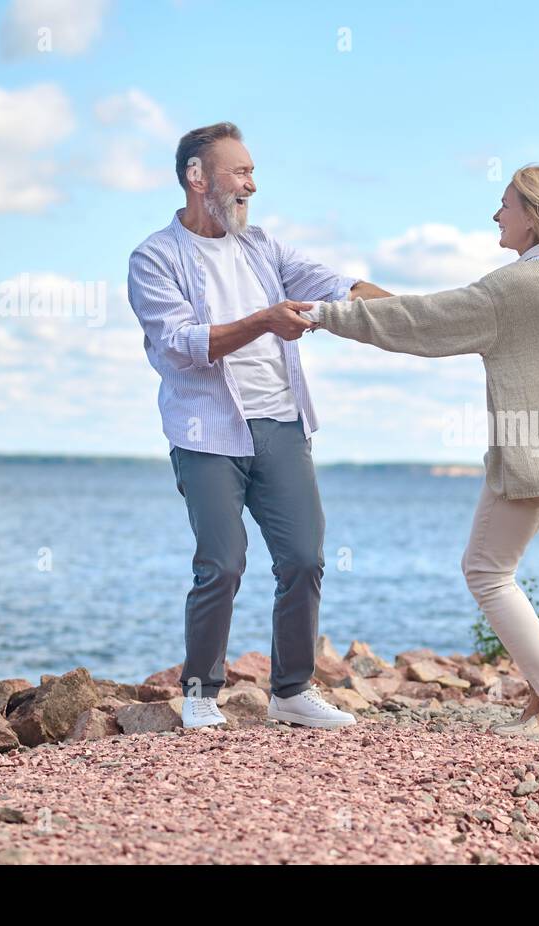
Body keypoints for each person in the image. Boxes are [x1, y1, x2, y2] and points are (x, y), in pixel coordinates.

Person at [302, 164, 539, 740]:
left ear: (533, 215)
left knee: (487, 573)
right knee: (492, 569)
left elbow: (425, 325)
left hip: (529, 462)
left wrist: (323, 315)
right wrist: (369, 300)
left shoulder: (519, 287)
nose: (496, 215)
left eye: (505, 204)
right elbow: (436, 315)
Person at [126, 122, 390, 730]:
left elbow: (335, 284)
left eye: (252, 174)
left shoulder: (262, 247)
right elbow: (182, 344)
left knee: (303, 557)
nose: (251, 184)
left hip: (281, 425)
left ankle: (292, 691)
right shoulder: (154, 257)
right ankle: (199, 694)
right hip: (206, 433)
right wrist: (267, 321)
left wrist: (420, 314)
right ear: (197, 177)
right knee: (221, 563)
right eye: (238, 171)